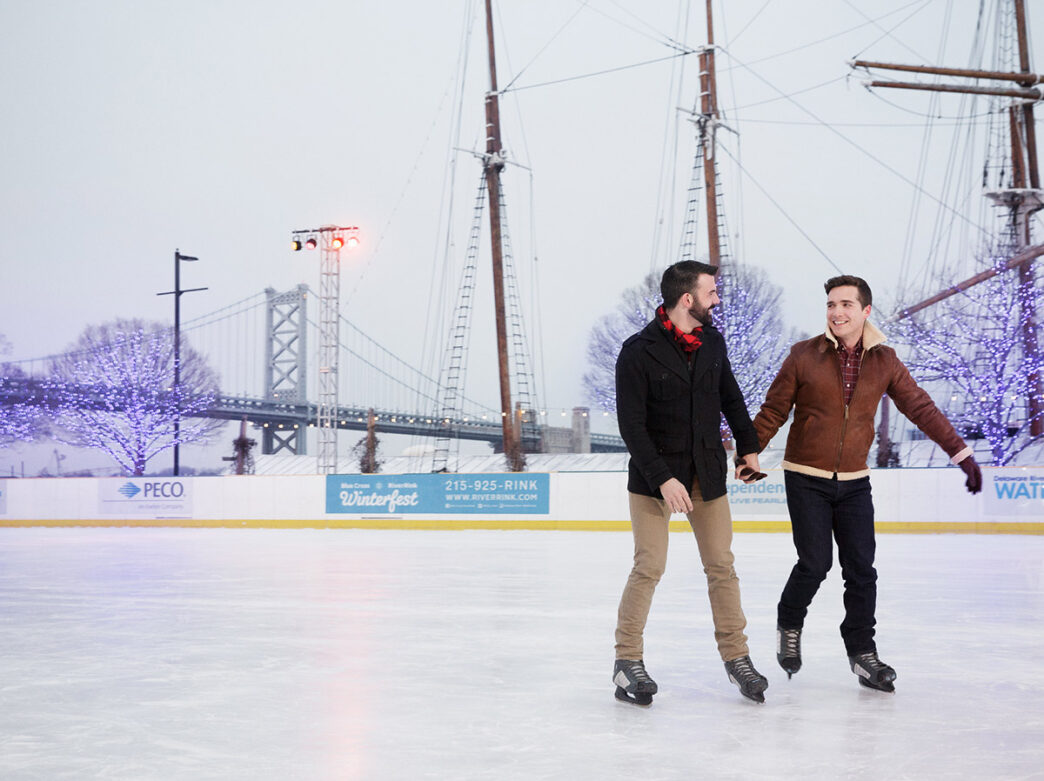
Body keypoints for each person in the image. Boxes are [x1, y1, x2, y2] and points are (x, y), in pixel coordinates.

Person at [751, 275, 982, 693]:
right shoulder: (803, 355)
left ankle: (862, 653)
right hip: (806, 477)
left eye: (845, 305)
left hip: (855, 482)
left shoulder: (885, 361)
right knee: (815, 563)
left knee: (862, 571)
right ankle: (790, 621)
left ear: (865, 311)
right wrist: (748, 453)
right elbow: (773, 410)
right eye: (830, 305)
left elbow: (921, 408)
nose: (836, 312)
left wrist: (960, 452)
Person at [613, 260, 769, 705]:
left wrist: (748, 446)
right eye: (711, 293)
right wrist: (663, 479)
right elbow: (632, 426)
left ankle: (737, 657)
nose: (716, 299)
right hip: (652, 480)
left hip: (706, 473)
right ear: (688, 299)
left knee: (721, 565)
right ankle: (627, 662)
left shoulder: (712, 342)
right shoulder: (637, 351)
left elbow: (731, 397)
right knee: (649, 566)